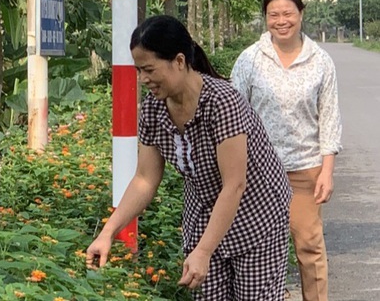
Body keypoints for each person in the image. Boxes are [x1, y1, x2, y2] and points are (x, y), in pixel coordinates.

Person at [86, 15, 292, 300]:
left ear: (179, 61)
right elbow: (145, 180)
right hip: (205, 217)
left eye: (149, 69)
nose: (143, 79)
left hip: (256, 218)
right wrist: (108, 232)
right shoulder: (153, 110)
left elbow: (235, 184)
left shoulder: (222, 102)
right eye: (138, 70)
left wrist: (204, 252)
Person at [231, 0, 342, 301]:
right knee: (261, 249)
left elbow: (329, 119)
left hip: (304, 170)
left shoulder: (321, 61)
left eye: (288, 13)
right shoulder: (250, 60)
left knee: (309, 246)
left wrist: (327, 171)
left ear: (301, 14)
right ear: (265, 17)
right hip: (257, 173)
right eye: (274, 14)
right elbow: (233, 117)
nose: (282, 21)